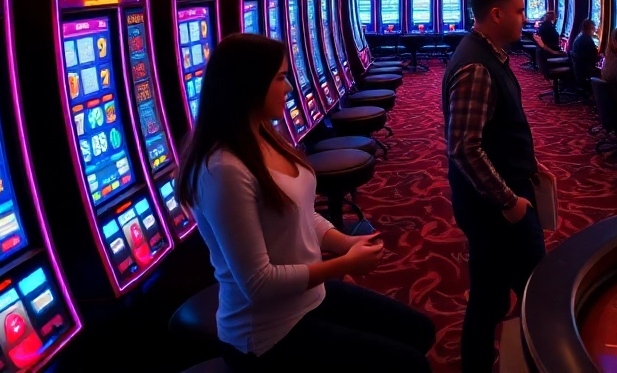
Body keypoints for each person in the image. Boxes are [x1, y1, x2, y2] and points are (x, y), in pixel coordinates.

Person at [179, 34, 435, 372]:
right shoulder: (223, 169)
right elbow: (259, 284)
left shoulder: (263, 133)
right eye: (281, 77)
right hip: (267, 334)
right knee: (411, 365)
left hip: (308, 298)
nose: (289, 88)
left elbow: (300, 212)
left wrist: (342, 242)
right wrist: (344, 265)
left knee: (420, 330)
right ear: (249, 84)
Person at [444, 0, 546, 372]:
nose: (525, 18)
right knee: (539, 288)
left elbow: (495, 131)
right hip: (498, 206)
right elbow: (464, 147)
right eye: (520, 11)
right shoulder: (477, 66)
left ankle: (479, 362)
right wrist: (510, 202)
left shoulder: (487, 55)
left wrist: (529, 162)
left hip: (494, 198)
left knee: (489, 294)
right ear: (497, 14)